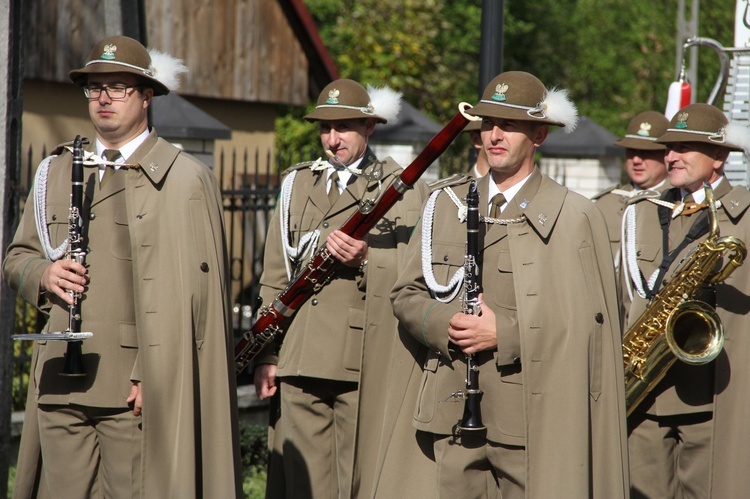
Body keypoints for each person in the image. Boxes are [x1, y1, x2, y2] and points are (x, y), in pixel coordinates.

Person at [3, 35, 242, 498]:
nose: (104, 98)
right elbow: (17, 257)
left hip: (133, 385)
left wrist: (153, 372)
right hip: (60, 381)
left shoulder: (184, 178)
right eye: (95, 88)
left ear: (147, 96)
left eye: (118, 87)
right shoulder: (56, 170)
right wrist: (44, 275)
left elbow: (193, 298)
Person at [390, 70, 629, 498]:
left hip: (530, 419)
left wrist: (506, 333)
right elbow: (406, 293)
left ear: (539, 134)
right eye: (488, 124)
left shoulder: (573, 215)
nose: (495, 134)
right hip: (449, 411)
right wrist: (446, 324)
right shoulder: (445, 203)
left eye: (511, 124)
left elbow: (591, 327)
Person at [252, 78, 430, 499]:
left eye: (345, 127)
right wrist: (267, 354)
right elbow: (275, 275)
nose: (333, 140)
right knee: (304, 483)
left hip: (362, 354)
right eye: (325, 128)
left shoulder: (399, 187)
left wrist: (367, 258)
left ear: (369, 128)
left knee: (358, 480)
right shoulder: (296, 184)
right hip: (299, 351)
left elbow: (419, 273)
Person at [622, 103, 750, 498]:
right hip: (643, 395)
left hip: (708, 397)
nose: (671, 156)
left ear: (719, 155)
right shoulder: (641, 212)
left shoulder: (743, 214)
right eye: (669, 147)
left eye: (685, 147)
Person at [592, 110, 670, 325]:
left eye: (646, 152)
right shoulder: (604, 204)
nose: (636, 160)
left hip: (649, 323)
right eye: (631, 151)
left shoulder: (676, 205)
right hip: (605, 322)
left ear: (667, 155)